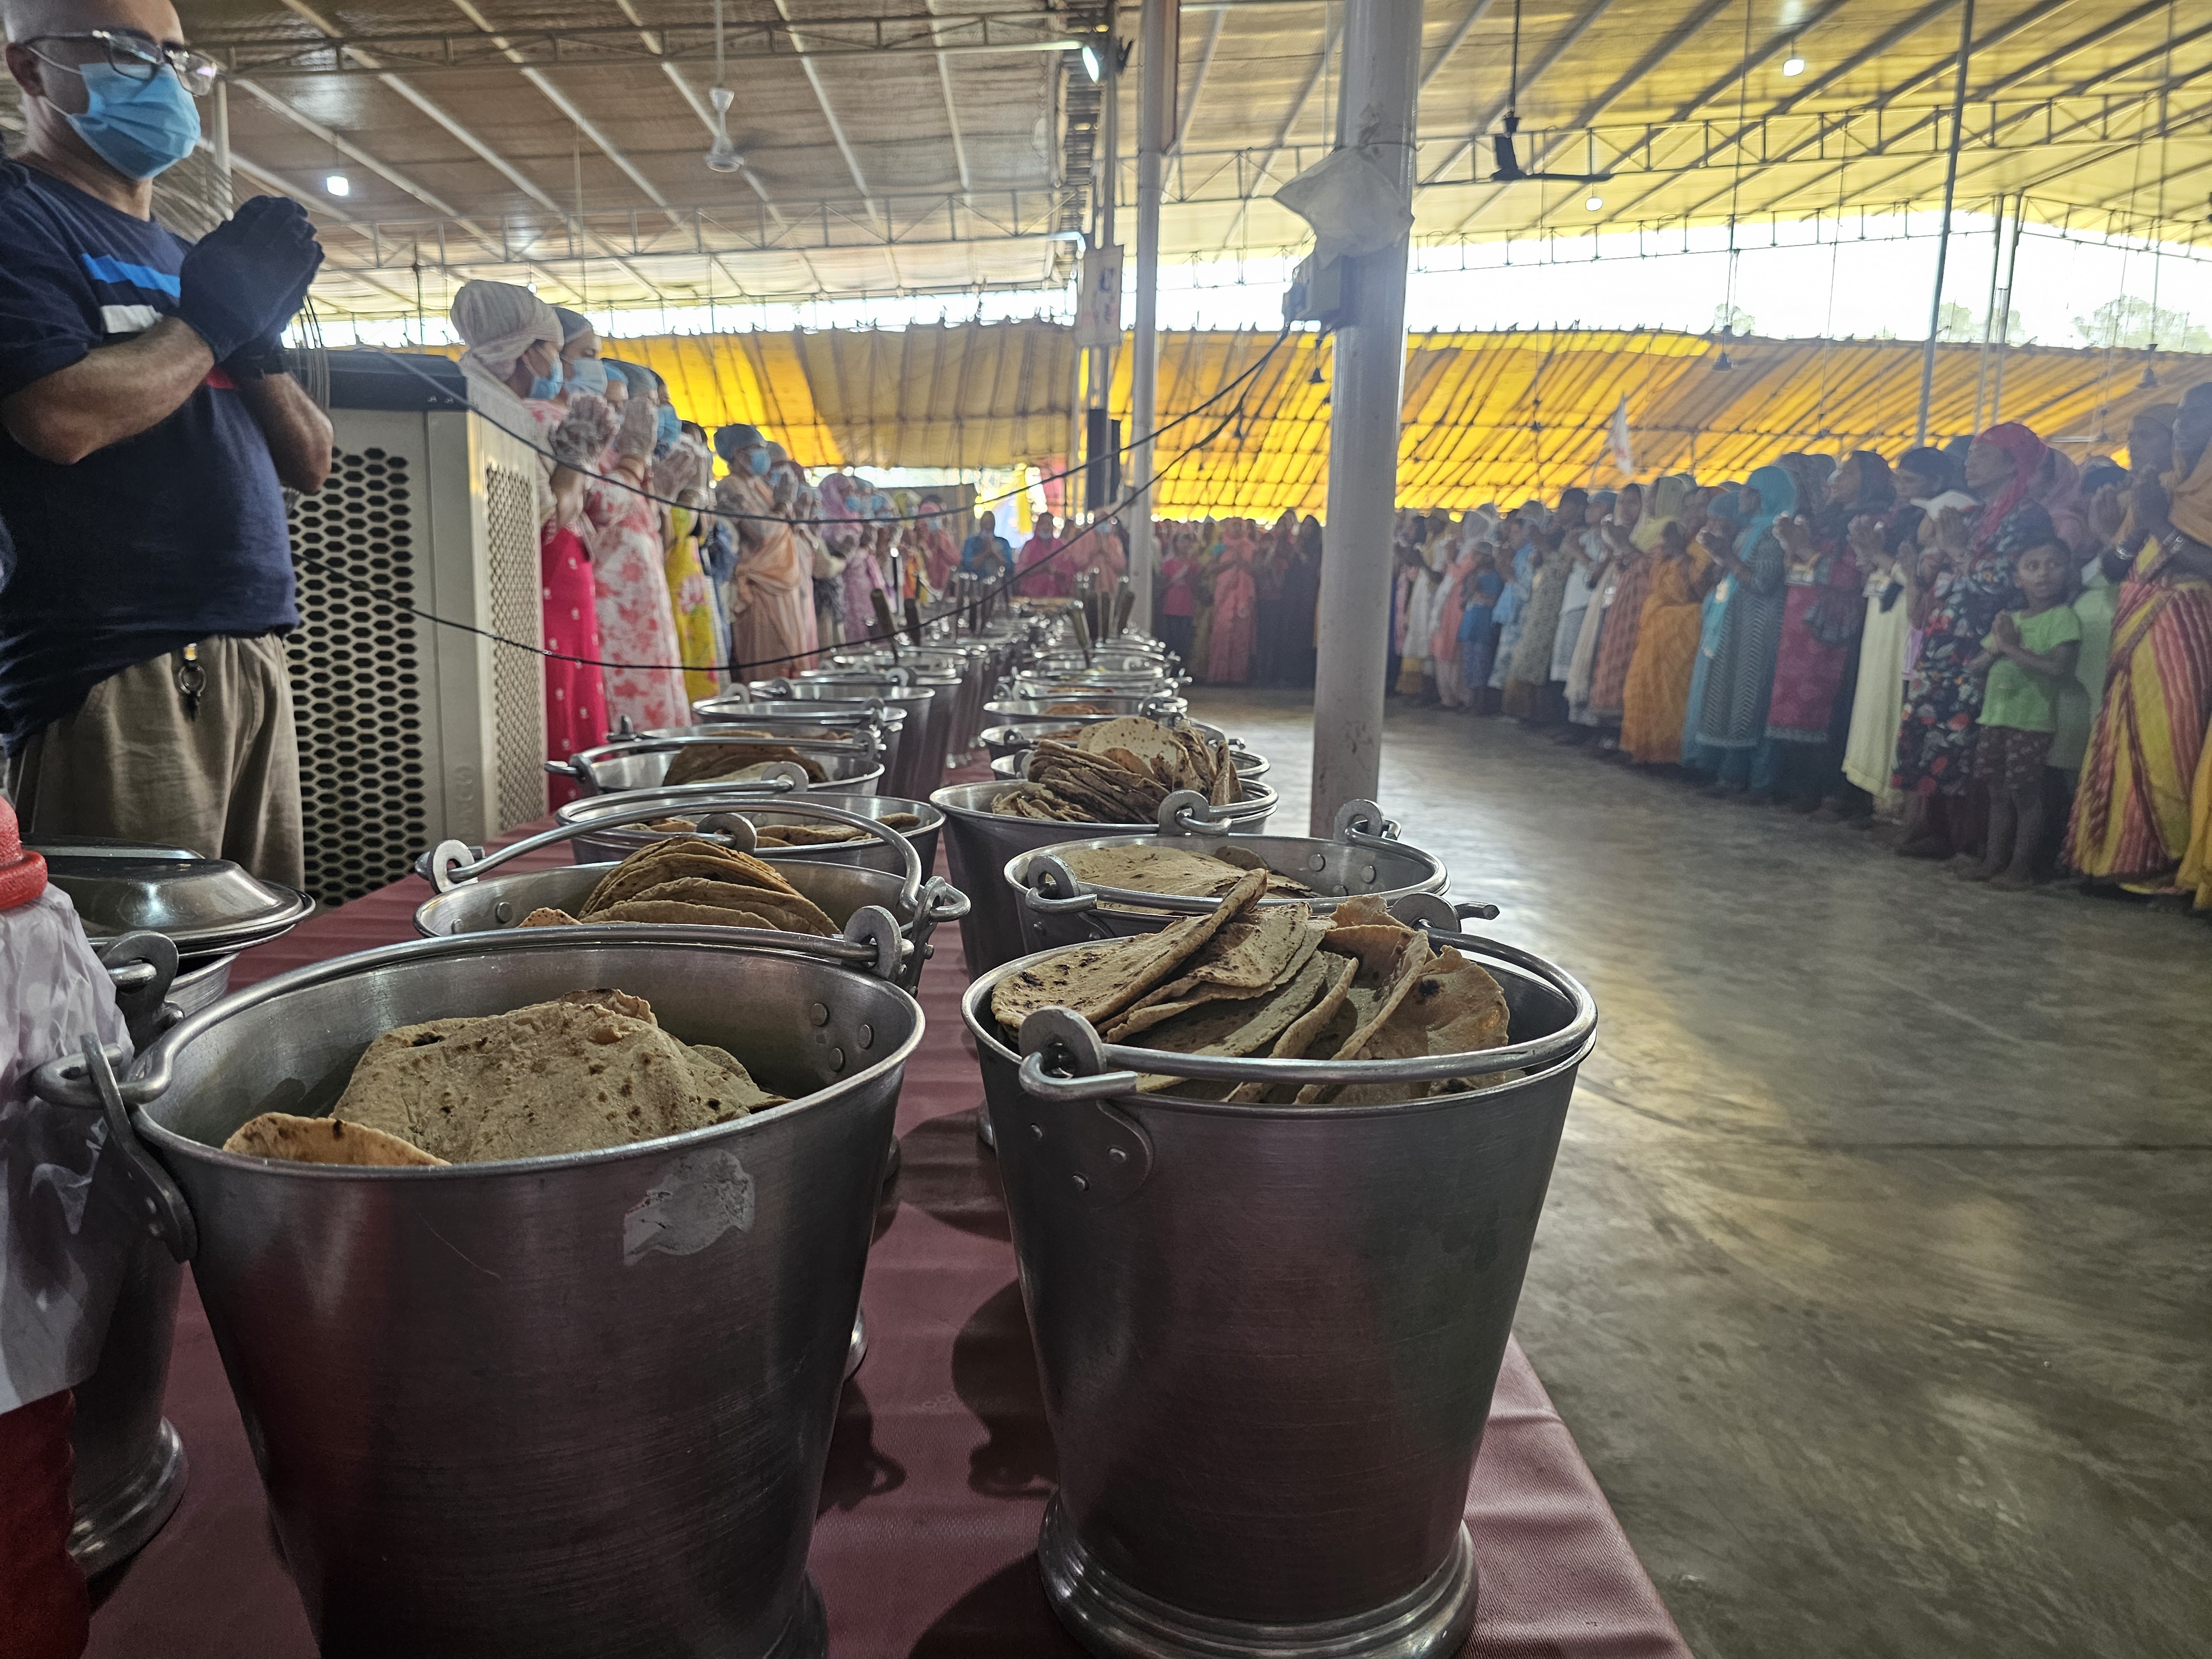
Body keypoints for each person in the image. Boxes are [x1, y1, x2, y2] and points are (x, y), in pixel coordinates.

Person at [1, 0, 330, 885]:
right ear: (29, 69)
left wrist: (248, 335)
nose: (160, 76)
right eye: (123, 52)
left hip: (248, 646)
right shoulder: (21, 218)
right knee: (138, 974)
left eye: (176, 57)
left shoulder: (188, 256)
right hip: (116, 666)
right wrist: (209, 321)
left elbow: (310, 459)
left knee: (253, 943)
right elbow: (59, 419)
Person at [2067, 393, 2212, 893]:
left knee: (2170, 743)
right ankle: (2111, 859)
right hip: (2134, 615)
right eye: (2181, 416)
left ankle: (2160, 861)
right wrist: (2123, 531)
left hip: (2187, 623)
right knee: (2119, 735)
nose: (2183, 425)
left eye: (2197, 413)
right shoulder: (2161, 487)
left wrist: (2155, 523)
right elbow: (2113, 566)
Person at [1892, 422, 2049, 858]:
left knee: (1967, 740)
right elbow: (1946, 565)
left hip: (1982, 640)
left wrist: (1959, 553)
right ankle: (1936, 828)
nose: (1969, 462)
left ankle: (1971, 839)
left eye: (1982, 454)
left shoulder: (2028, 516)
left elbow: (2003, 582)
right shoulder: (1978, 513)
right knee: (1935, 729)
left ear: (2012, 463)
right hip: (1946, 634)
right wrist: (1925, 562)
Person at [1758, 451, 1888, 808]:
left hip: (1837, 628)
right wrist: (1791, 546)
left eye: (1848, 472)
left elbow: (1849, 577)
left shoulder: (1874, 520)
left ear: (1869, 481)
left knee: (1825, 706)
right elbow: (1799, 565)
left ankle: (1822, 789)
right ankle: (1792, 783)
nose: (1837, 479)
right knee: (1792, 703)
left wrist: (1804, 549)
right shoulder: (1828, 518)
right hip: (1800, 621)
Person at [1959, 538, 2080, 888]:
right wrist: (1998, 648)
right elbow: (1975, 667)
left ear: (2068, 572)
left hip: (2031, 722)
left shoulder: (2063, 618)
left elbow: (2060, 669)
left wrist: (2010, 647)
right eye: (2032, 566)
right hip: (1995, 718)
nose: (2043, 573)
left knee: (2027, 796)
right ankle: (1993, 861)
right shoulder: (2009, 619)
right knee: (1997, 793)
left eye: (2054, 564)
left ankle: (2020, 869)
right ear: (2017, 578)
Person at [1692, 467, 1796, 796]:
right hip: (1735, 625)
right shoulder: (1751, 529)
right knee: (1729, 695)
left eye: (1752, 490)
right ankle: (1726, 772)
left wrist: (1727, 556)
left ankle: (1746, 777)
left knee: (1749, 700)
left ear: (1767, 495)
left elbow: (1764, 583)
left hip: (1757, 628)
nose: (1744, 496)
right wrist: (1719, 558)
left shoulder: (1775, 534)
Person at [713, 421, 815, 678]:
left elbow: (785, 529)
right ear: (738, 454)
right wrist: (782, 506)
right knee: (769, 668)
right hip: (759, 588)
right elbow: (763, 533)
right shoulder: (730, 487)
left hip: (782, 585)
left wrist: (790, 509)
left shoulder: (759, 485)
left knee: (790, 663)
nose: (765, 457)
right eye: (758, 449)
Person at [1618, 514, 1716, 765]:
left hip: (1683, 627)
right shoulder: (1667, 551)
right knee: (1643, 685)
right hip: (1654, 626)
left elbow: (1701, 589)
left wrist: (1682, 557)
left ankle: (1670, 756)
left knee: (1672, 692)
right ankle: (1644, 749)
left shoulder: (1703, 546)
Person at [1207, 518, 1259, 685]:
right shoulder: (1220, 546)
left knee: (1241, 634)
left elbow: (1257, 570)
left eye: (1240, 526)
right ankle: (1219, 676)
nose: (1237, 529)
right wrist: (1231, 562)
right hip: (1224, 595)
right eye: (1234, 526)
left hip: (1243, 598)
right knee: (1222, 631)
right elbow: (1210, 569)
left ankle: (1238, 676)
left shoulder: (1251, 547)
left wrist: (1241, 561)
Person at [1014, 512, 1068, 598]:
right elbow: (1019, 571)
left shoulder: (1060, 546)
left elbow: (1069, 571)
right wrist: (1040, 568)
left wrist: (1055, 571)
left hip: (1056, 598)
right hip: (1031, 597)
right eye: (1043, 523)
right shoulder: (1029, 546)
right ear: (1038, 525)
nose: (1046, 527)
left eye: (1049, 524)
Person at [962, 510, 1011, 582]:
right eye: (986, 522)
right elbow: (968, 565)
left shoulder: (1003, 543)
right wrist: (986, 552)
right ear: (981, 524)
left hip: (999, 585)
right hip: (976, 585)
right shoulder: (971, 543)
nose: (988, 525)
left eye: (991, 522)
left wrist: (994, 553)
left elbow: (1009, 567)